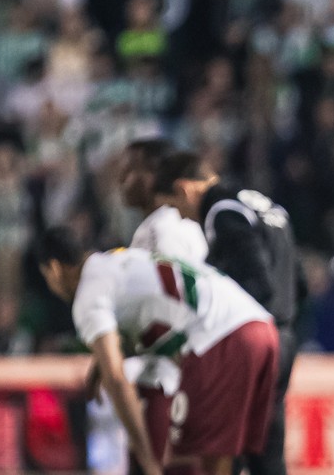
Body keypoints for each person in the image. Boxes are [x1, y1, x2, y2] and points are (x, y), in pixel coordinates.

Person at [36, 226, 279, 475]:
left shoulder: (88, 292)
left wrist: (147, 459)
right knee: (241, 462)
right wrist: (103, 363)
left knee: (191, 463)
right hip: (261, 327)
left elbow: (118, 381)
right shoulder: (118, 257)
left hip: (220, 337)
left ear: (54, 270)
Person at [154, 151, 302, 475]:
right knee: (267, 456)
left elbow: (257, 279)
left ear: (184, 189)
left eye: (175, 206)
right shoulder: (261, 204)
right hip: (284, 336)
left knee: (224, 453)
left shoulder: (223, 213)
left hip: (252, 342)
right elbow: (298, 280)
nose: (181, 217)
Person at [116, 138, 209, 472]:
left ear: (152, 174)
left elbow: (177, 295)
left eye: (129, 172)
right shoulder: (164, 225)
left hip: (171, 373)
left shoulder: (165, 228)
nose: (120, 181)